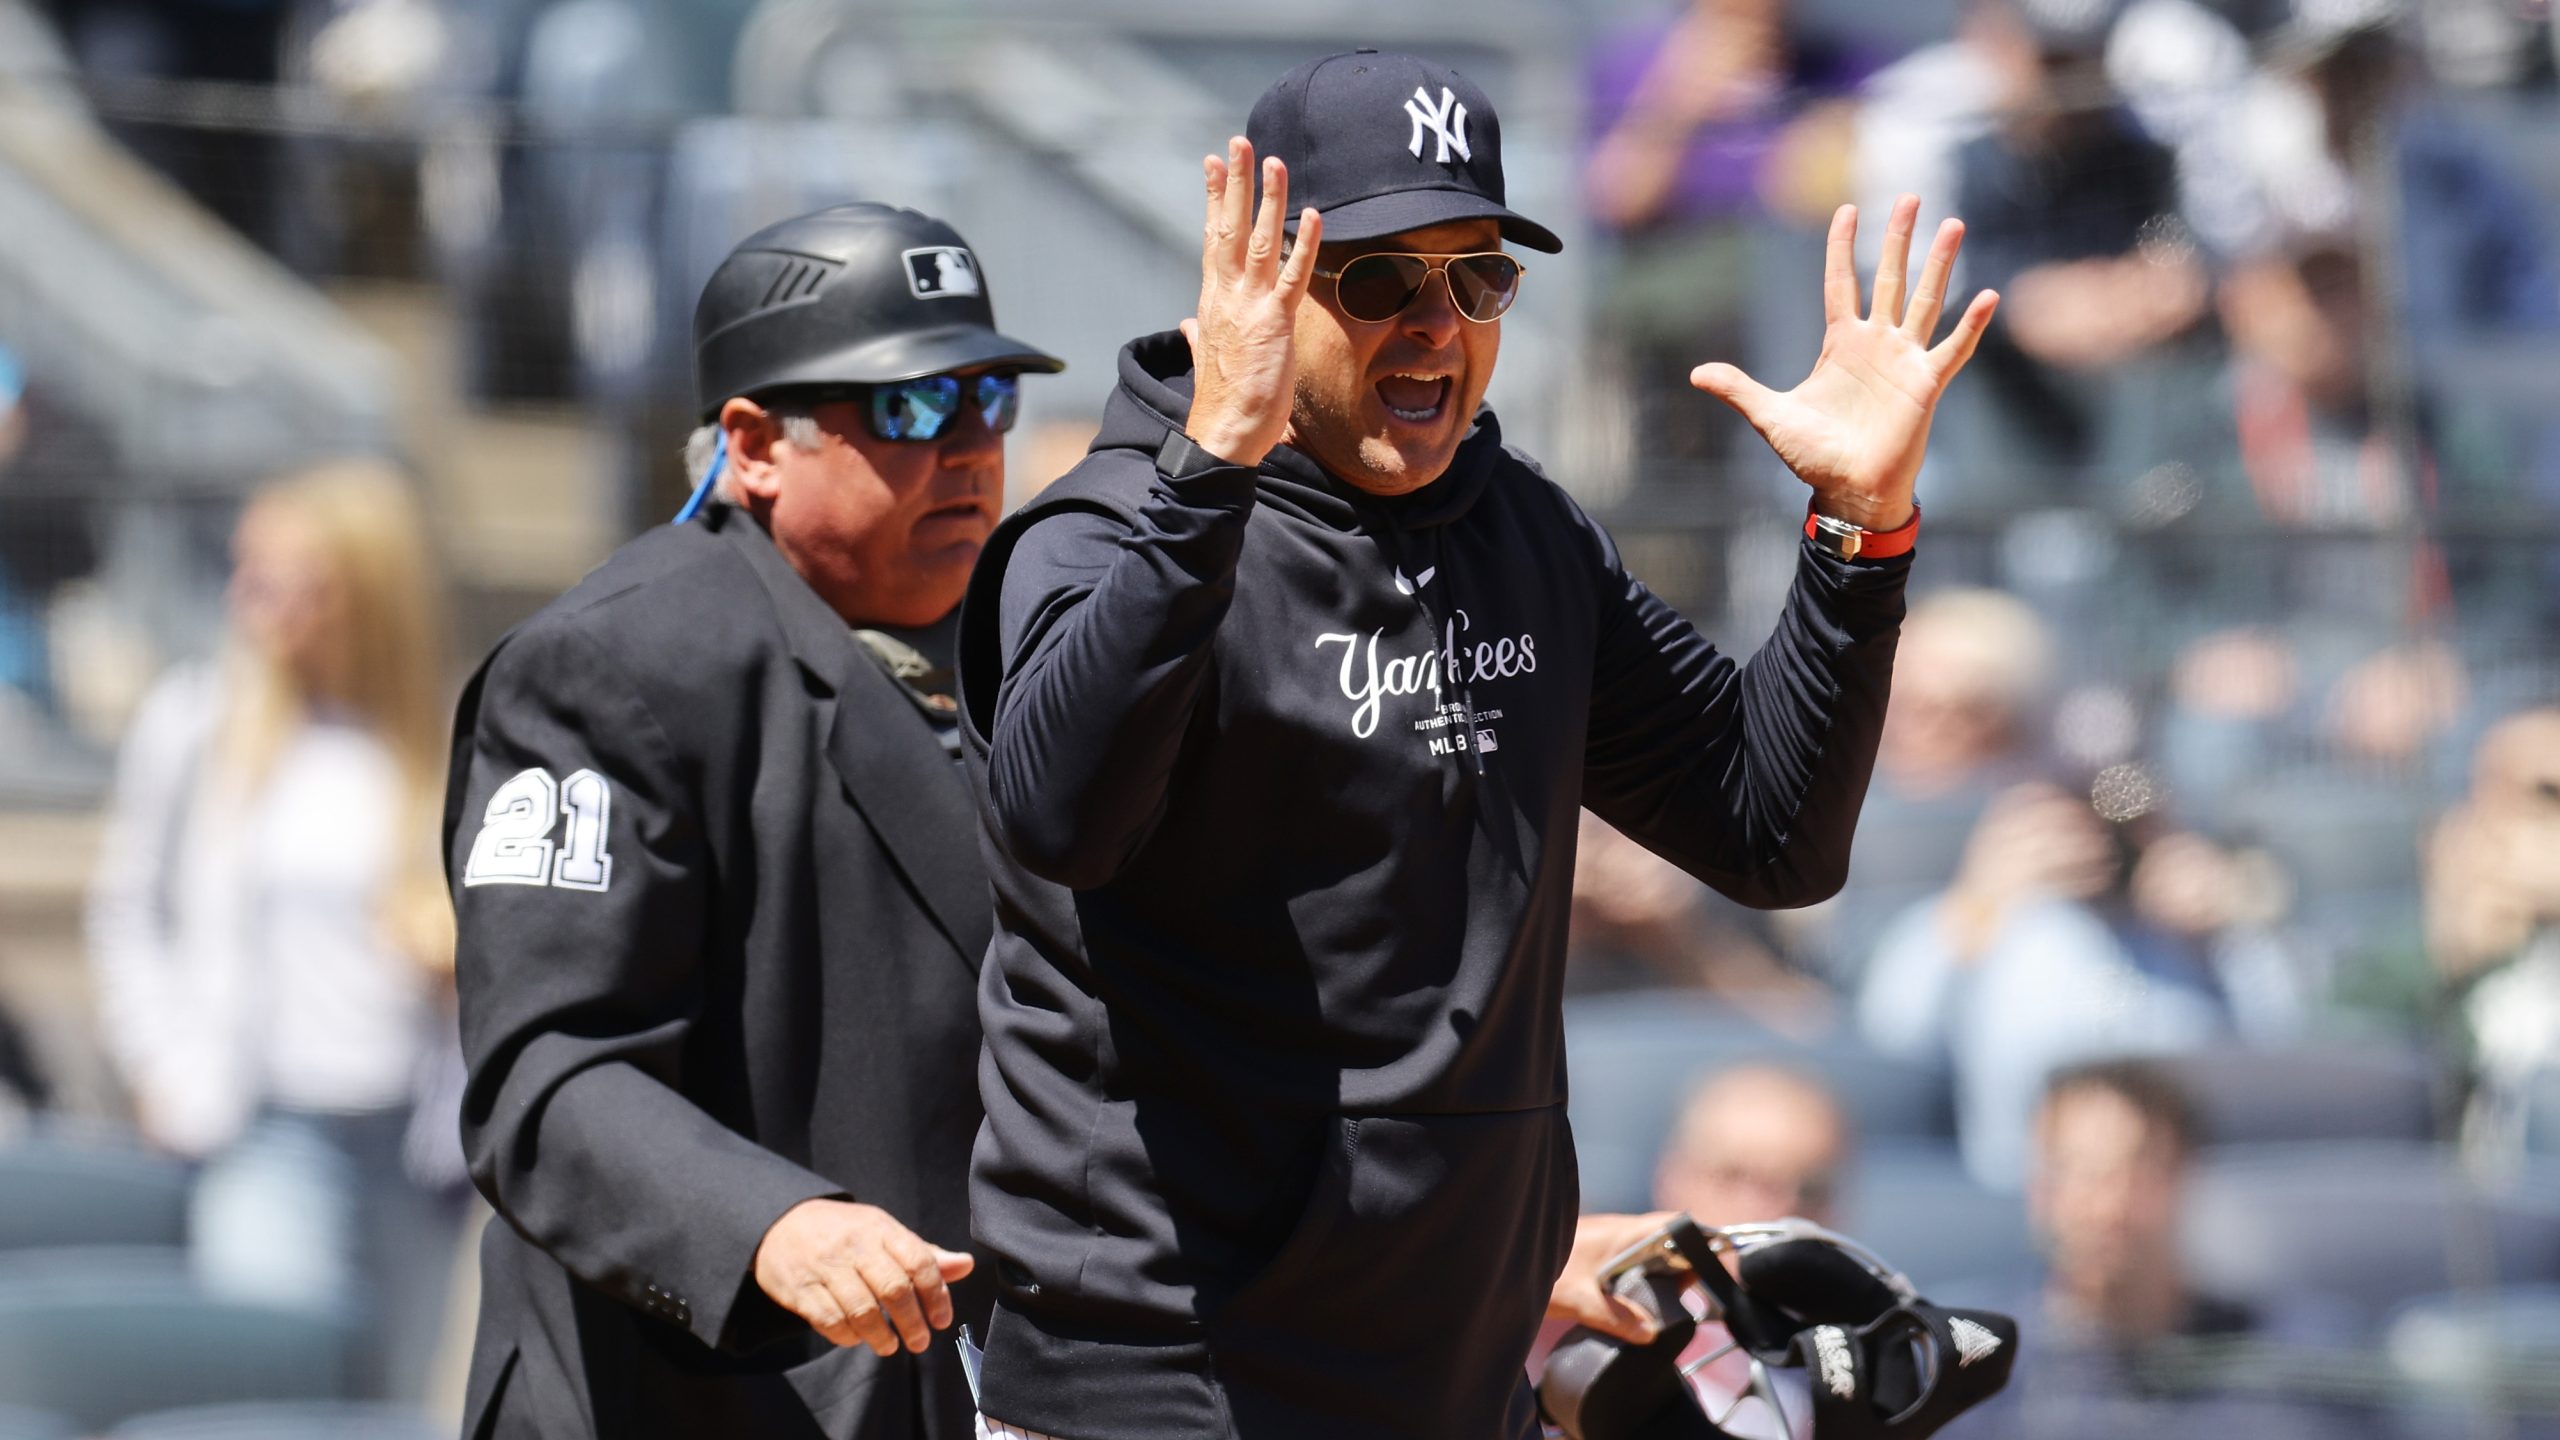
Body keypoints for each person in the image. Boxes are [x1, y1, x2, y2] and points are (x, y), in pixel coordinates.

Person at [953, 50, 1997, 1440]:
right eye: (1383, 280)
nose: (1439, 327)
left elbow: (1769, 832)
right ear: (1259, 282)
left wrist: (1858, 539)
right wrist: (1215, 461)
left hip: (1454, 1378)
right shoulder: (1111, 532)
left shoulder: (1523, 531)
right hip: (1163, 1389)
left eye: (1480, 279)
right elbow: (1056, 820)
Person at [444, 203, 1061, 1440]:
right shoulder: (608, 665)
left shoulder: (1031, 644)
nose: (966, 447)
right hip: (701, 1395)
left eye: (985, 396)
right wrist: (764, 1222)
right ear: (754, 442)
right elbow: (547, 1077)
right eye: (904, 407)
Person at [86, 460, 465, 1401]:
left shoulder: (439, 733)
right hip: (264, 1125)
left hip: (413, 1140)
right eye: (247, 571)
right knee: (272, 1395)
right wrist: (160, 1063)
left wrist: (454, 952)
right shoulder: (198, 722)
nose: (251, 601)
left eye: (287, 578)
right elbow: (131, 907)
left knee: (388, 1402)